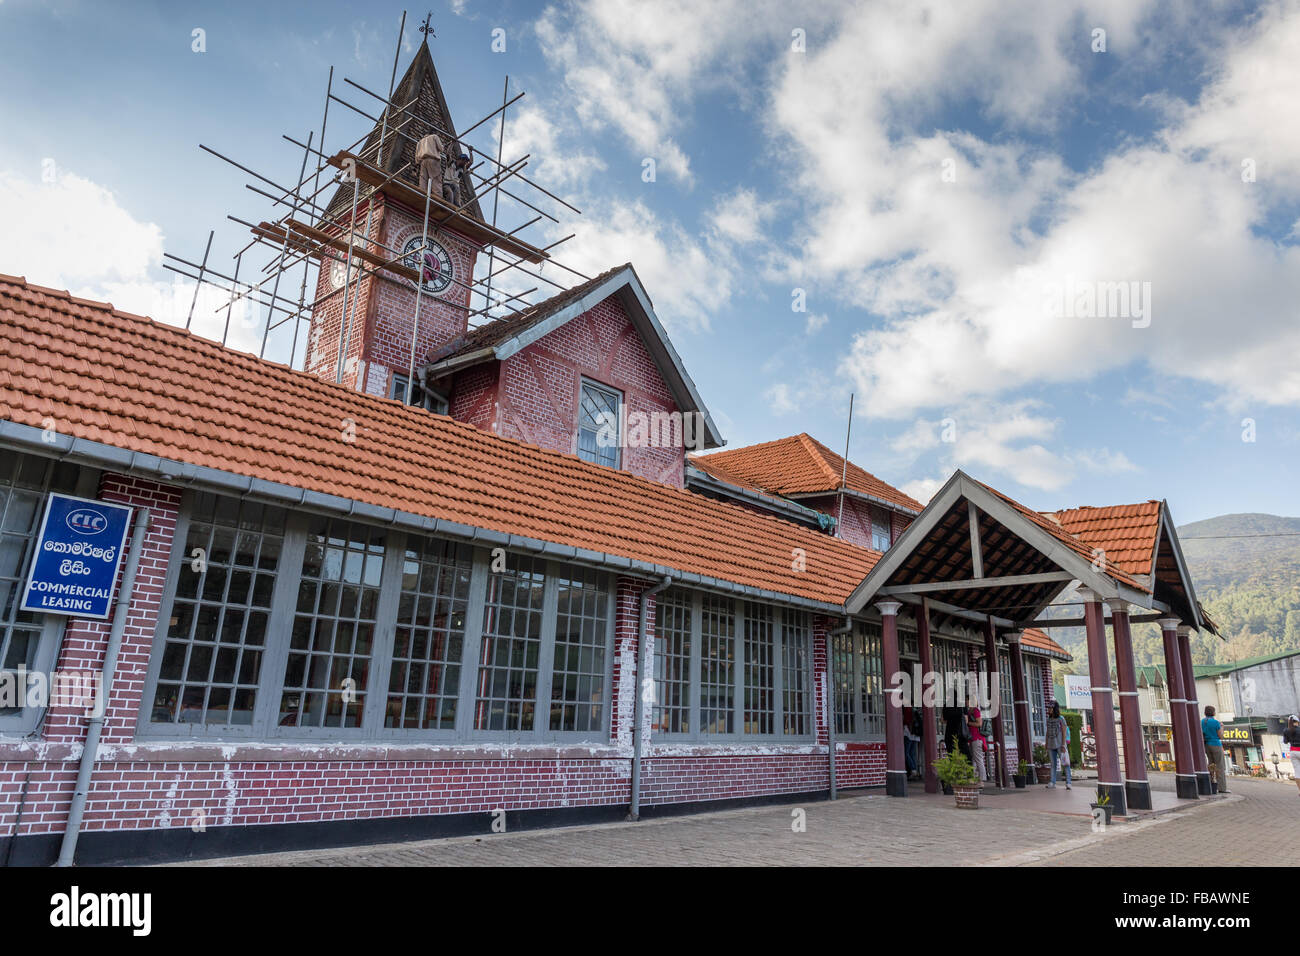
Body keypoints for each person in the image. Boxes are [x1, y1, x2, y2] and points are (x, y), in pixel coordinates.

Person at [1202, 705, 1230, 794]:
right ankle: (1222, 788)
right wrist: (1222, 727)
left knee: (1211, 765)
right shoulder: (1216, 722)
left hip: (1206, 745)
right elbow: (1220, 736)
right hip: (1216, 744)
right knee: (1220, 766)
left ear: (1205, 713)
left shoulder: (1202, 722)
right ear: (1213, 713)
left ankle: (1210, 785)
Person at [1046, 700, 1071, 789]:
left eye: (1050, 708)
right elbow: (1047, 732)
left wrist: (1063, 745)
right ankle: (1052, 782)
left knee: (1065, 763)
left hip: (1060, 745)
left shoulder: (1061, 719)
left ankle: (1068, 783)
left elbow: (1064, 732)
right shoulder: (1048, 719)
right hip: (1051, 745)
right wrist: (1046, 744)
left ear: (1054, 708)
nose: (1048, 709)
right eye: (1048, 708)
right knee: (1053, 764)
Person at [967, 705, 987, 783]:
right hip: (972, 738)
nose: (966, 702)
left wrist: (968, 723)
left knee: (978, 759)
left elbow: (979, 724)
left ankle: (982, 779)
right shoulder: (969, 711)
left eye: (967, 700)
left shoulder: (975, 710)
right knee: (974, 760)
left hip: (977, 738)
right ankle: (973, 779)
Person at [1284, 715, 1300, 796]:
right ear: (1297, 722)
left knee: (1297, 772)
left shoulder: (1286, 730)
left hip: (1293, 752)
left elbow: (1285, 742)